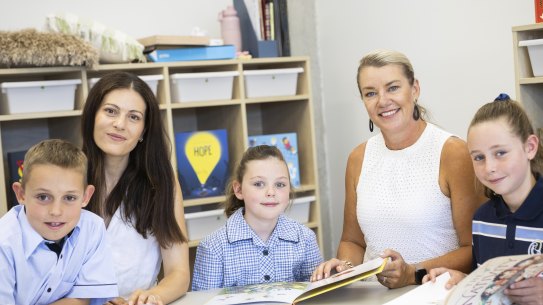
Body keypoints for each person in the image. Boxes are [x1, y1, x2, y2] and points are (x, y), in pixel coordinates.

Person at [311, 49, 486, 288]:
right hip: (372, 297)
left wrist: (411, 273)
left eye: (393, 88)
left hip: (432, 294)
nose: (383, 101)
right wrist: (344, 268)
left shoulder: (453, 152)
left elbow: (474, 248)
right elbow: (353, 241)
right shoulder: (358, 158)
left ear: (414, 89)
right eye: (370, 93)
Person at [81, 71, 189, 305]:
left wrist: (154, 297)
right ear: (92, 116)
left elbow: (178, 273)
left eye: (134, 117)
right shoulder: (66, 175)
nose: (119, 124)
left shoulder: (161, 181)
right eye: (110, 111)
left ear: (144, 130)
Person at [424, 94, 543, 304]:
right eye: (479, 157)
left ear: (530, 147)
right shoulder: (482, 219)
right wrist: (463, 283)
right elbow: (492, 288)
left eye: (500, 153)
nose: (489, 168)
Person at [0, 139, 118, 305]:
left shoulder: (92, 228)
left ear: (86, 197)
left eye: (69, 198)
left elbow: (83, 299)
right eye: (43, 197)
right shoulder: (4, 243)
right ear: (21, 194)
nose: (56, 211)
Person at [191, 145, 323, 290]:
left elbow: (316, 293)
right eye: (259, 184)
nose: (271, 192)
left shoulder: (306, 239)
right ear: (239, 190)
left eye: (280, 184)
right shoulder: (212, 247)